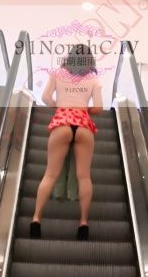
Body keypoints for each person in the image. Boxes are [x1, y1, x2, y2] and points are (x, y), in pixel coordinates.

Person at [30, 44, 103, 241]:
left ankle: (36, 219)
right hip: (83, 125)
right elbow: (99, 108)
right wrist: (83, 109)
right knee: (84, 177)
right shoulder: (93, 78)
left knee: (50, 174)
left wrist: (60, 107)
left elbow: (45, 97)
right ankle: (83, 224)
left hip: (62, 122)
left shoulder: (57, 73)